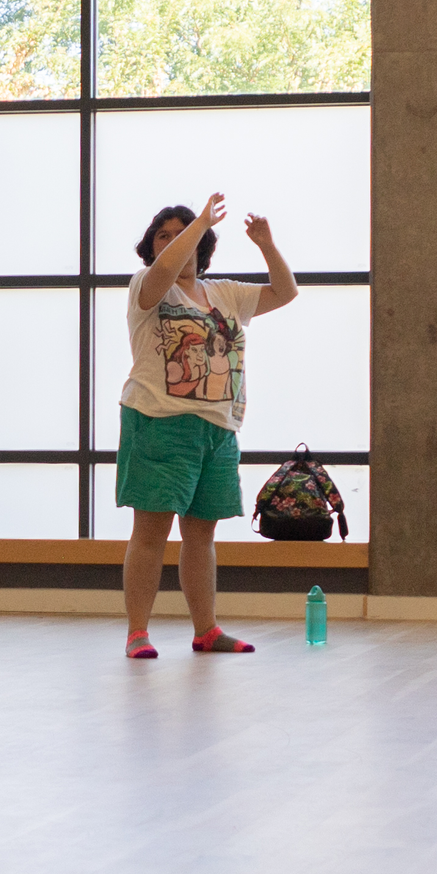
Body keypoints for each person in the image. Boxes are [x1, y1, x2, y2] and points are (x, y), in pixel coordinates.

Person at [117, 196, 298, 659]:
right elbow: (164, 269)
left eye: (182, 234)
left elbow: (285, 292)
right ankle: (138, 632)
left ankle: (206, 630)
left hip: (218, 427)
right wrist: (196, 223)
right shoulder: (148, 284)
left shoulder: (225, 293)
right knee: (151, 533)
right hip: (158, 421)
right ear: (152, 247)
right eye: (164, 235)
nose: (174, 241)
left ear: (203, 248)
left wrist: (267, 245)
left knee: (201, 535)